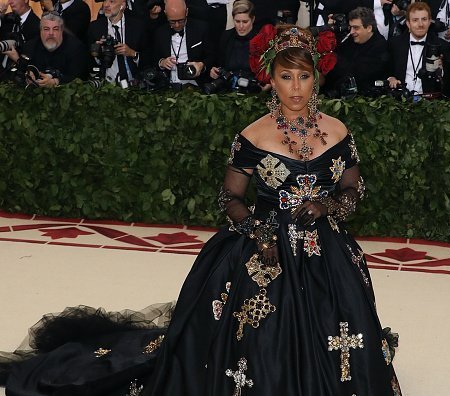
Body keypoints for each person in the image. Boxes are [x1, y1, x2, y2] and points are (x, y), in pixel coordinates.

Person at [1, 24, 402, 396]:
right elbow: (229, 199)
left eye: (303, 76)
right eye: (285, 76)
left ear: (317, 76)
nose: (295, 88)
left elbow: (353, 186)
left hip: (326, 253)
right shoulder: (252, 135)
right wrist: (260, 233)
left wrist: (330, 203)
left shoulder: (338, 131)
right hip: (265, 247)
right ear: (271, 78)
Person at [387, 2, 450, 96]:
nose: (420, 24)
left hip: (431, 103)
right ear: (408, 23)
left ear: (429, 22)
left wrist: (441, 70)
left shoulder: (442, 45)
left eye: (424, 19)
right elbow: (385, 70)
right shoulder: (394, 44)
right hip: (399, 101)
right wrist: (390, 78)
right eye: (415, 20)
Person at [324, 6, 389, 96]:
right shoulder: (349, 40)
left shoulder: (380, 47)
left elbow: (358, 74)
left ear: (369, 28)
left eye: (356, 28)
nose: (351, 32)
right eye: (351, 27)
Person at [18, 11, 87, 87]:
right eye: (46, 29)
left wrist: (56, 81)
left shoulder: (76, 48)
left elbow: (79, 77)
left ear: (61, 31)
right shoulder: (30, 47)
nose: (51, 33)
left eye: (55, 29)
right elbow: (21, 72)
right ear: (40, 31)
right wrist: (29, 77)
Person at [154, 0, 212, 87]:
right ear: (165, 13)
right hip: (167, 85)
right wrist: (161, 62)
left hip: (196, 85)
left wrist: (201, 65)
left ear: (187, 12)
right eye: (172, 21)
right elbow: (150, 57)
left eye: (181, 21)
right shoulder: (159, 32)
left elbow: (212, 56)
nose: (177, 25)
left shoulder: (201, 28)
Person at [88, 0, 147, 85]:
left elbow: (149, 57)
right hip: (106, 85)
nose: (106, 5)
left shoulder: (138, 27)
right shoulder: (95, 28)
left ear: (122, 5)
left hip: (135, 84)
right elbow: (90, 62)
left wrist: (132, 53)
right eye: (105, 1)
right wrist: (97, 53)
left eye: (112, 2)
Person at [0, 0, 39, 80]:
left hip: (19, 78)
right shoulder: (6, 18)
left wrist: (17, 58)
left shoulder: (37, 25)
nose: (10, 2)